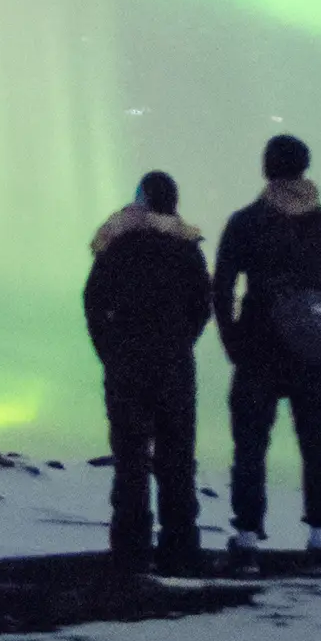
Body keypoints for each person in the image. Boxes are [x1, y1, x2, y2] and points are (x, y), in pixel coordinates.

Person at [213, 132, 321, 573]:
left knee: (251, 448)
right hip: (312, 354)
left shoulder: (246, 221)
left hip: (257, 349)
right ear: (304, 167)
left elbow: (221, 287)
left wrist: (233, 341)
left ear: (267, 167)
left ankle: (248, 541)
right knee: (315, 449)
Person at [83, 169, 212, 574]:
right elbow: (202, 307)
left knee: (130, 458)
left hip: (126, 364)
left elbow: (93, 303)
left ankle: (130, 549)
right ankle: (180, 548)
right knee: (176, 457)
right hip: (174, 364)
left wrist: (111, 351)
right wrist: (180, 342)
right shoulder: (187, 248)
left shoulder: (116, 245)